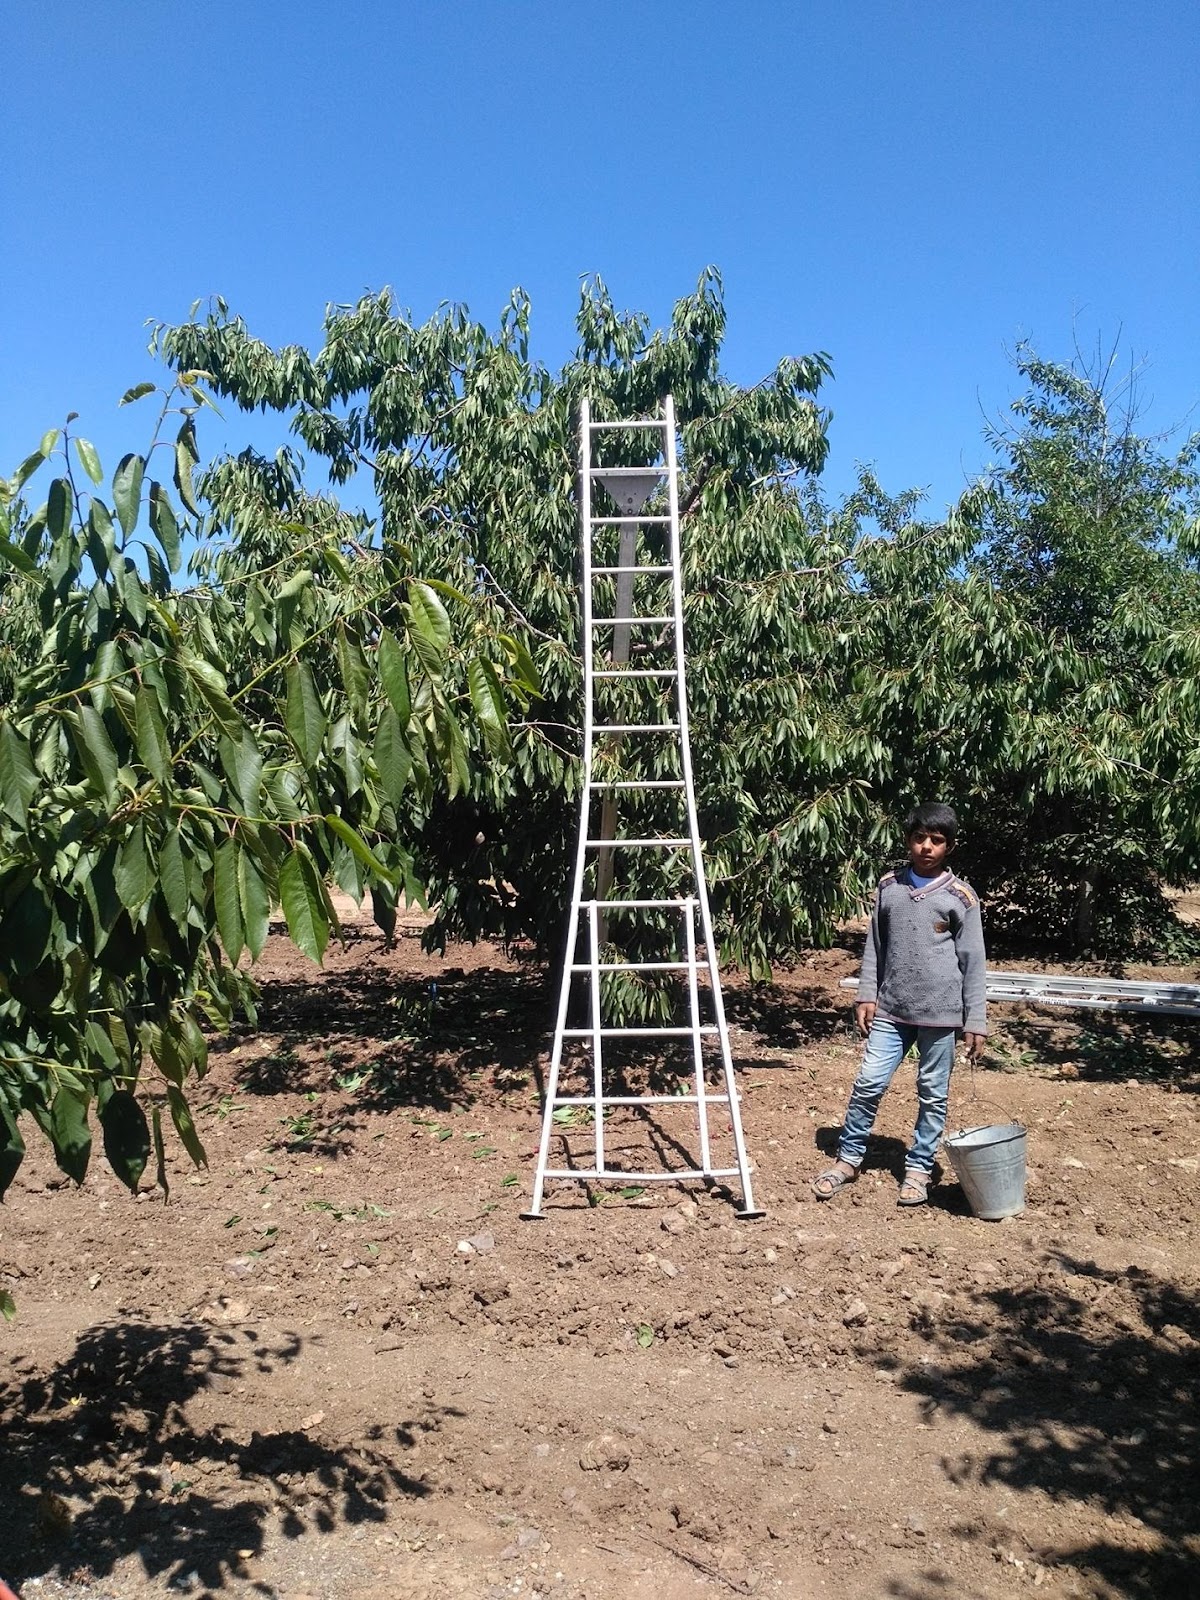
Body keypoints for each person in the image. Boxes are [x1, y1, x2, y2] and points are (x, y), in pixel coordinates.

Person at [812, 801, 987, 1206]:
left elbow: (973, 962)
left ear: (949, 847)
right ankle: (849, 1158)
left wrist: (975, 1020)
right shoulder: (889, 887)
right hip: (891, 1008)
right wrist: (866, 994)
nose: (927, 846)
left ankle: (917, 1169)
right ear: (908, 840)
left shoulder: (961, 897)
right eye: (920, 838)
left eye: (937, 840)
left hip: (942, 1015)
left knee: (932, 1092)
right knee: (869, 1081)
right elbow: (875, 945)